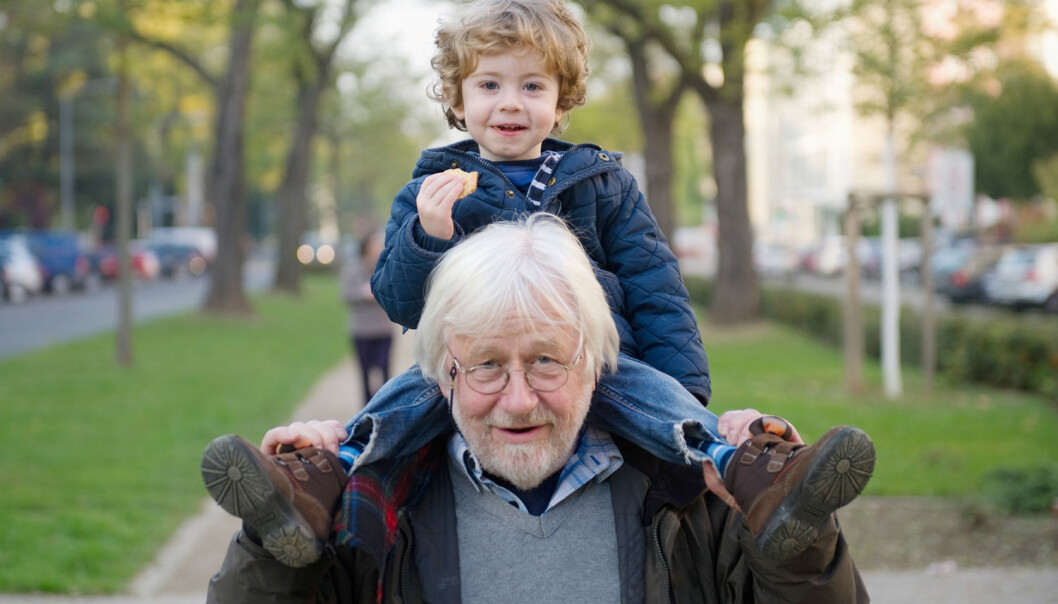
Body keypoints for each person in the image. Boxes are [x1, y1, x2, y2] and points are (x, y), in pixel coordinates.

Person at [203, 215, 873, 602]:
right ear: (444, 373)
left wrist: (798, 543)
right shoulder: (371, 505)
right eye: (489, 365)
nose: (518, 402)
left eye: (547, 360)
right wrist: (276, 542)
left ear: (595, 361)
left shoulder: (695, 498)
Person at [339, 0, 729, 496]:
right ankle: (336, 467)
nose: (510, 102)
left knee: (645, 394)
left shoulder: (604, 185)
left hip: (590, 364)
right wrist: (430, 236)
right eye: (489, 85)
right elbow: (401, 304)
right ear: (458, 101)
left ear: (560, 102)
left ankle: (731, 459)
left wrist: (682, 393)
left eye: (532, 86)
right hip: (474, 368)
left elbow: (657, 292)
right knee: (408, 395)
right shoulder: (430, 193)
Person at [340, 232, 394, 403]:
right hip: (361, 330)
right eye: (374, 244)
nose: (377, 247)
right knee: (364, 372)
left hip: (383, 328)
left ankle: (385, 405)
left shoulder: (386, 267)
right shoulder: (351, 269)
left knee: (384, 369)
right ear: (365, 247)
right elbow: (346, 294)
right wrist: (363, 294)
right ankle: (366, 408)